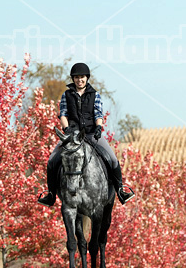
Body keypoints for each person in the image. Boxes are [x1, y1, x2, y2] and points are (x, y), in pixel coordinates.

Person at [38, 62, 135, 207]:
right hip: (72, 135)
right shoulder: (67, 95)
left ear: (87, 78)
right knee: (52, 160)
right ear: (73, 79)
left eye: (82, 77)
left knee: (113, 159)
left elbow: (98, 113)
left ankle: (120, 190)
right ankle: (51, 194)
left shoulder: (95, 95)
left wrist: (99, 127)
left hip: (91, 134)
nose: (79, 80)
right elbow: (63, 114)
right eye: (76, 77)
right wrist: (66, 129)